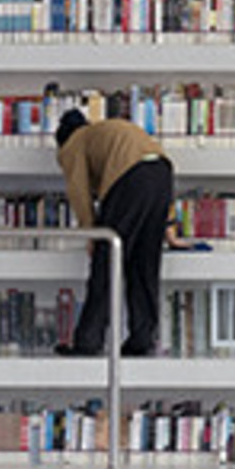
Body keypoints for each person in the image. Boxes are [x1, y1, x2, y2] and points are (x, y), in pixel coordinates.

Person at [54, 94, 175, 359]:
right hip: (163, 172)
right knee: (144, 265)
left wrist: (92, 234)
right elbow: (151, 177)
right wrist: (169, 226)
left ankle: (88, 341)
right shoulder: (105, 131)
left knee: (106, 262)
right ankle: (142, 339)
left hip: (129, 178)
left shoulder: (74, 143)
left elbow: (79, 192)